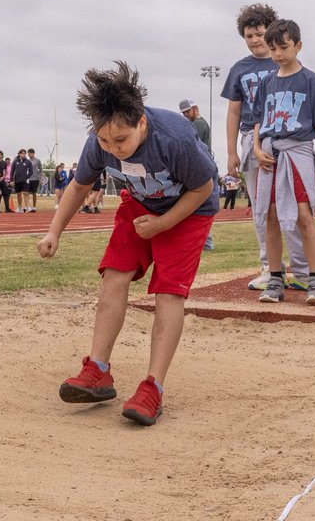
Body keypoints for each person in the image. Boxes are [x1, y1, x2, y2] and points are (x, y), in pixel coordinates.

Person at [38, 62, 218, 426]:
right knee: (114, 277)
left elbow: (204, 188)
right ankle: (98, 370)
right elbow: (79, 186)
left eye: (121, 140)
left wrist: (164, 224)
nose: (114, 149)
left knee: (168, 294)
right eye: (105, 141)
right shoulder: (100, 142)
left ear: (142, 123)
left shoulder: (176, 139)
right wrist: (54, 230)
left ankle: (153, 387)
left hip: (188, 212)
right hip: (138, 207)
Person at [221, 3, 311, 291]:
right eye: (249, 35)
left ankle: (302, 269)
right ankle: (269, 268)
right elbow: (234, 111)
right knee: (262, 208)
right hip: (252, 138)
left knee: (294, 207)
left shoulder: (284, 62)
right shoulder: (240, 69)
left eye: (260, 33)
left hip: (287, 141)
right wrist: (232, 150)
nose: (256, 40)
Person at [250, 20, 315, 305]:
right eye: (273, 48)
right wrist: (256, 148)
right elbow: (259, 121)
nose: (277, 54)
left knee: (303, 214)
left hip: (296, 153)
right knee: (270, 214)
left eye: (283, 47)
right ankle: (275, 278)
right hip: (270, 155)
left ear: (298, 46)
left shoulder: (310, 80)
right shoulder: (267, 81)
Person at [179, 98, 215, 250]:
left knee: (197, 205)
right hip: (202, 166)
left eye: (187, 111)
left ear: (195, 108)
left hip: (199, 168)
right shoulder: (198, 123)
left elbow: (191, 145)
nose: (185, 115)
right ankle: (204, 241)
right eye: (183, 113)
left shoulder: (198, 124)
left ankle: (206, 241)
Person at [26, 148, 43, 212]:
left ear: (33, 153)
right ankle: (27, 206)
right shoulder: (27, 161)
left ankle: (34, 207)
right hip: (28, 179)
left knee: (34, 193)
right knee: (26, 193)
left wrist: (40, 178)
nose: (29, 155)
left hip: (35, 179)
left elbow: (41, 170)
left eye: (29, 153)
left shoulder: (38, 161)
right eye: (28, 154)